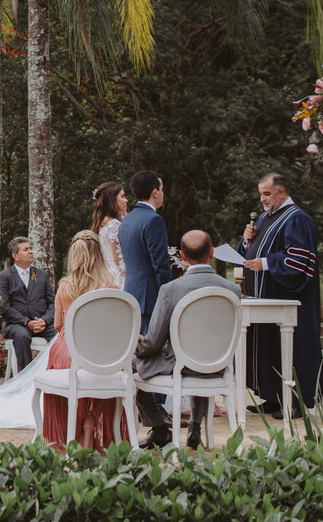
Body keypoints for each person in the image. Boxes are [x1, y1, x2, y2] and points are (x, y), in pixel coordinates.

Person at [135, 230, 242, 450]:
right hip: (218, 366)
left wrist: (138, 347)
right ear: (211, 253)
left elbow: (154, 343)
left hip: (183, 367)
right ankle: (194, 429)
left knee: (130, 364)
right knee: (197, 353)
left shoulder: (171, 290)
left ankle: (159, 429)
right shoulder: (233, 289)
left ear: (183, 256)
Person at [238, 172, 323, 418]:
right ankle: (273, 396)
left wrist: (266, 263)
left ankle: (297, 402)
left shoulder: (297, 219)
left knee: (292, 347)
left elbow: (300, 260)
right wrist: (245, 242)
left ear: (282, 192)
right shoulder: (266, 218)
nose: (262, 199)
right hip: (263, 295)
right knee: (268, 346)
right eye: (261, 194)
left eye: (267, 193)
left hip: (288, 297)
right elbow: (252, 252)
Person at [41, 230, 129, 451]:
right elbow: (117, 328)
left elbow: (58, 326)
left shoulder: (64, 287)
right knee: (109, 370)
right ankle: (91, 420)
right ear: (98, 255)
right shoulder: (110, 289)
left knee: (84, 373)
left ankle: (71, 433)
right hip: (99, 354)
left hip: (66, 352)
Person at [118, 171, 172, 335]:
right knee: (151, 346)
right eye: (162, 189)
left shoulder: (126, 220)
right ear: (155, 192)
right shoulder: (154, 220)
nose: (163, 193)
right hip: (150, 298)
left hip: (131, 293)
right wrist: (169, 297)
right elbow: (161, 265)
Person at [0, 237, 58, 372]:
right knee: (22, 336)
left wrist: (45, 321)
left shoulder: (42, 274)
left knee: (60, 334)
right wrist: (26, 322)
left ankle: (55, 372)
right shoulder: (4, 276)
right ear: (15, 256)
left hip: (42, 323)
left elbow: (53, 303)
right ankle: (27, 375)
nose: (31, 251)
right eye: (26, 249)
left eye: (30, 248)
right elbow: (4, 307)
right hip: (17, 324)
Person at [92, 183, 128, 289]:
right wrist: (128, 277)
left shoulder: (102, 222)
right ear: (112, 200)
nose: (126, 200)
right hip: (118, 275)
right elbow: (117, 258)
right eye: (122, 196)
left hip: (106, 274)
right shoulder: (114, 224)